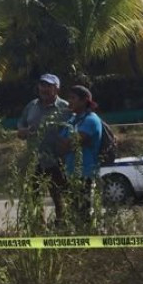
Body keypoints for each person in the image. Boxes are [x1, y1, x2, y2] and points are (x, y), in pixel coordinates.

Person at [16, 73, 71, 221]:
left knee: (60, 197)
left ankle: (62, 225)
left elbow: (74, 131)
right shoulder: (31, 106)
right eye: (42, 85)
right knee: (34, 196)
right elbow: (20, 127)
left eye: (48, 86)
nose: (44, 89)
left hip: (58, 161)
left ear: (57, 88)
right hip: (35, 161)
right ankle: (39, 226)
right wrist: (23, 131)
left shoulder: (65, 108)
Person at [56, 85, 103, 229]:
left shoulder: (91, 120)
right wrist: (68, 143)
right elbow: (61, 146)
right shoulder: (73, 120)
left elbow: (71, 143)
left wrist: (68, 142)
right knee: (74, 213)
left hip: (86, 174)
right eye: (69, 98)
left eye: (73, 98)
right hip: (72, 173)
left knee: (86, 214)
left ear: (84, 100)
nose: (69, 101)